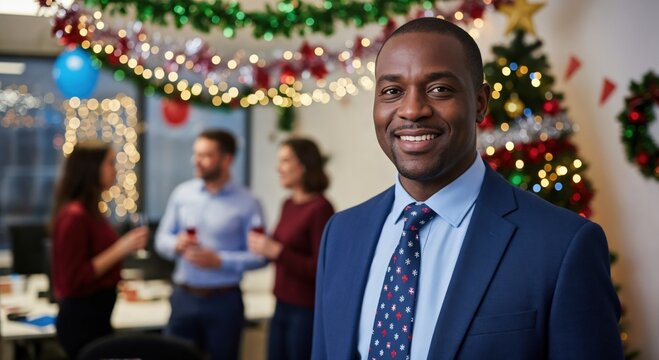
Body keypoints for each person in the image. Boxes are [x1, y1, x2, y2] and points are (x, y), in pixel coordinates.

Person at [311, 17, 623, 360]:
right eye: (392, 91)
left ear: (480, 103)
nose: (412, 110)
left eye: (439, 89)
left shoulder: (564, 246)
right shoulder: (341, 234)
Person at [155, 129, 266, 360]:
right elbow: (160, 240)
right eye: (196, 154)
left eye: (205, 155)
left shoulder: (248, 202)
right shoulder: (182, 194)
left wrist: (220, 261)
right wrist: (176, 244)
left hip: (224, 302)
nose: (196, 160)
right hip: (184, 297)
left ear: (227, 160)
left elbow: (260, 256)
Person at [50, 141, 148, 358]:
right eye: (110, 163)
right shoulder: (74, 216)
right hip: (82, 319)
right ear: (91, 168)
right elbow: (74, 278)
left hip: (97, 314)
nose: (115, 169)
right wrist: (121, 248)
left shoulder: (92, 210)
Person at [248, 138, 335, 360]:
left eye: (285, 160)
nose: (279, 168)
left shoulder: (320, 208)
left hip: (305, 312)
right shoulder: (288, 203)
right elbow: (280, 249)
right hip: (280, 305)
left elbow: (321, 269)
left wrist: (278, 252)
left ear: (304, 165)